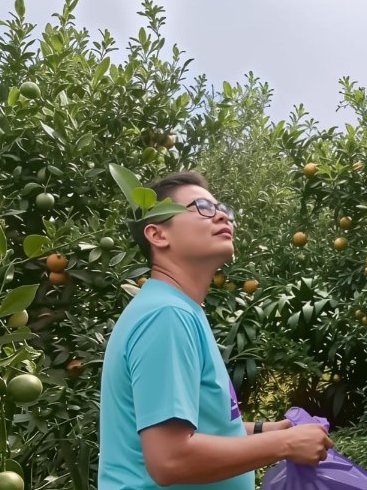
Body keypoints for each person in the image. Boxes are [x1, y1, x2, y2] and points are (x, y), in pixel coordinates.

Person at [99, 172, 334, 488]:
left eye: (222, 208)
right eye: (202, 208)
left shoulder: (179, 310)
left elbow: (197, 430)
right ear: (157, 235)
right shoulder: (166, 316)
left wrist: (269, 432)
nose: (222, 215)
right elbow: (170, 460)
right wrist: (287, 445)